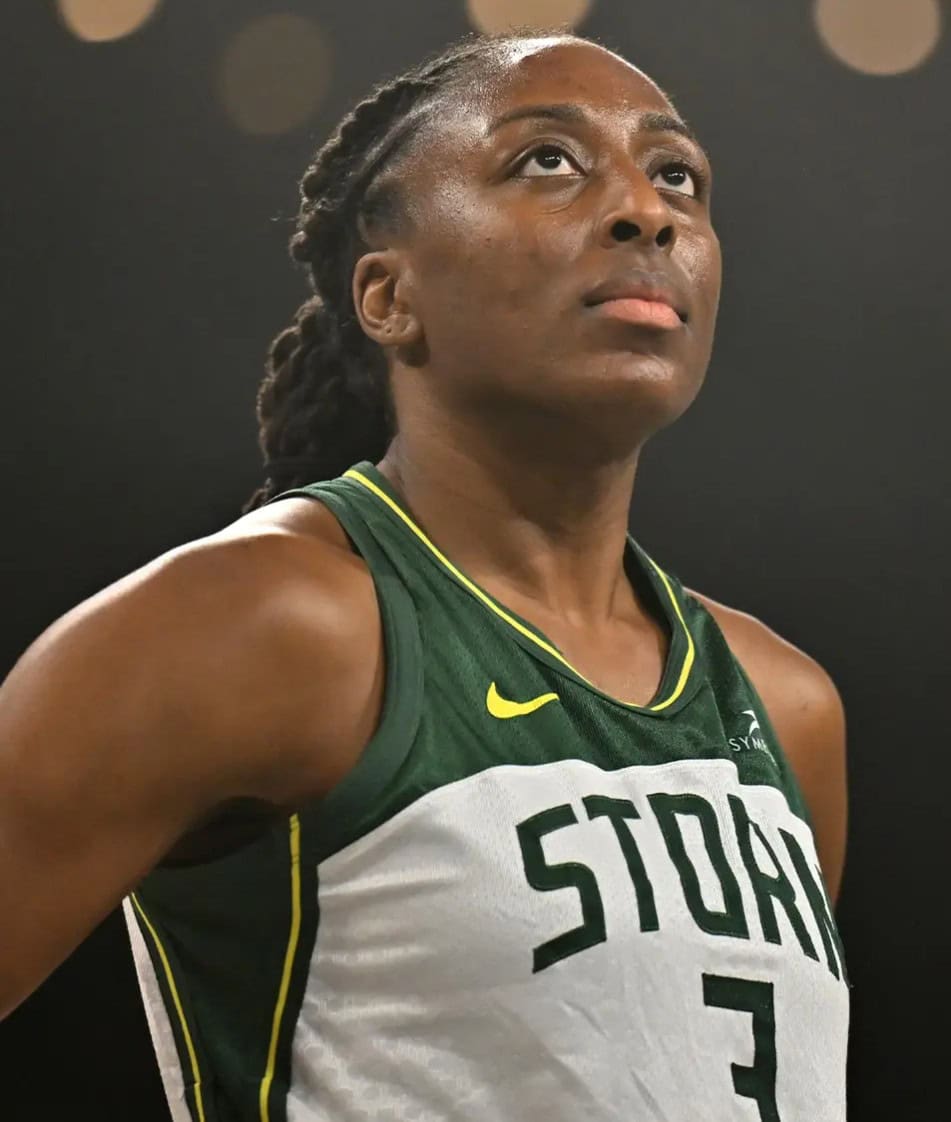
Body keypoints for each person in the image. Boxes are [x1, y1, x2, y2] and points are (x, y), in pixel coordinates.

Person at [0, 28, 849, 1121]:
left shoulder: (785, 705)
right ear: (388, 298)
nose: (649, 211)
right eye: (548, 160)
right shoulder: (260, 623)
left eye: (677, 174)